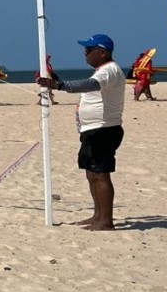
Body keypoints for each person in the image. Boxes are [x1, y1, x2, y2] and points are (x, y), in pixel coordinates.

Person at [36, 33, 125, 230]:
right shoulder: (102, 71)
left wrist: (60, 85)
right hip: (93, 131)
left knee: (101, 174)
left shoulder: (109, 70)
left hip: (103, 130)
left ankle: (106, 221)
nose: (85, 54)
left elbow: (90, 85)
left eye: (89, 50)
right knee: (92, 174)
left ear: (102, 53)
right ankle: (97, 215)